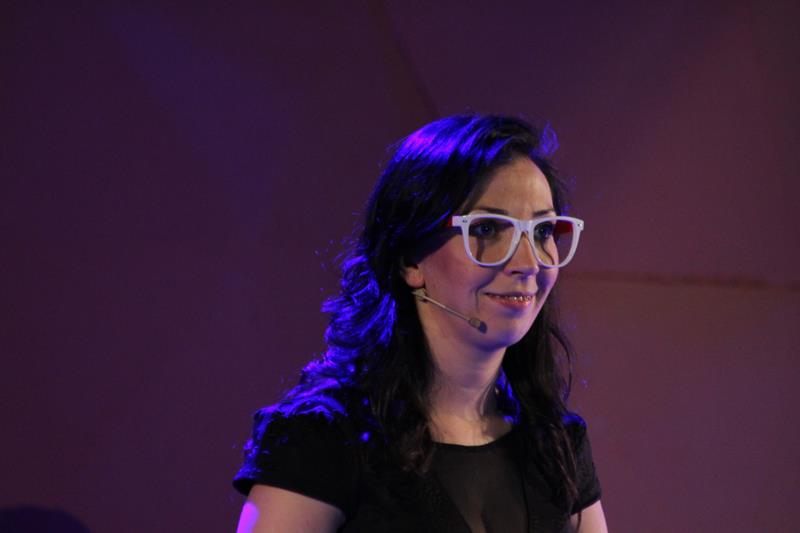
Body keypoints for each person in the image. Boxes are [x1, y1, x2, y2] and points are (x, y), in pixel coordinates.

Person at [233, 114, 609, 532]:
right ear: (411, 259)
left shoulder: (556, 443)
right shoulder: (323, 438)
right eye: (487, 228)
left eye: (542, 232)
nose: (528, 263)